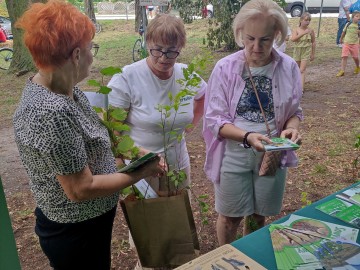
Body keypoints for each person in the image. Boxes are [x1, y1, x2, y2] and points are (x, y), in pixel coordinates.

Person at [13, 1, 164, 269]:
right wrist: (140, 172)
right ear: (75, 55)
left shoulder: (65, 89)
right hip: (75, 231)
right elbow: (79, 190)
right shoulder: (51, 112)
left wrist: (133, 153)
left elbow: (90, 137)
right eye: (91, 49)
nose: (93, 57)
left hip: (89, 223)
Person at [107, 13, 206, 268]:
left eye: (171, 52)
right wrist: (141, 154)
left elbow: (203, 97)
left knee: (175, 227)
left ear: (180, 48)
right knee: (150, 235)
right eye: (157, 50)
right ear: (146, 43)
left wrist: (190, 125)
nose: (163, 58)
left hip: (178, 165)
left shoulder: (187, 76)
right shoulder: (126, 78)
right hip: (142, 170)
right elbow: (113, 132)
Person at [203, 0, 303, 246]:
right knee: (229, 217)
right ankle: (226, 258)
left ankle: (250, 256)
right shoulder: (225, 67)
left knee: (259, 215)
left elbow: (294, 110)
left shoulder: (288, 67)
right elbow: (215, 120)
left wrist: (292, 128)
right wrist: (248, 137)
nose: (256, 47)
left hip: (272, 153)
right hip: (234, 154)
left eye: (265, 40)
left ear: (277, 35)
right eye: (250, 39)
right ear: (240, 34)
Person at [290, 12, 316, 89]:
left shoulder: (311, 30)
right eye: (306, 20)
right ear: (301, 20)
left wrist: (312, 53)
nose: (307, 22)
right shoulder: (296, 30)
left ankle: (301, 89)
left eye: (309, 20)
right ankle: (295, 86)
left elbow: (313, 42)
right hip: (297, 51)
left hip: (306, 51)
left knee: (302, 70)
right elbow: (293, 39)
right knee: (297, 69)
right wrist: (303, 33)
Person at [336, 11, 360, 77]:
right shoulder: (348, 24)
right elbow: (344, 32)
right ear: (352, 17)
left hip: (355, 44)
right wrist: (341, 39)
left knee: (355, 57)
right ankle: (342, 71)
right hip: (346, 43)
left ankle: (358, 67)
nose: (358, 18)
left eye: (359, 17)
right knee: (344, 56)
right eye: (357, 16)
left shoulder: (359, 26)